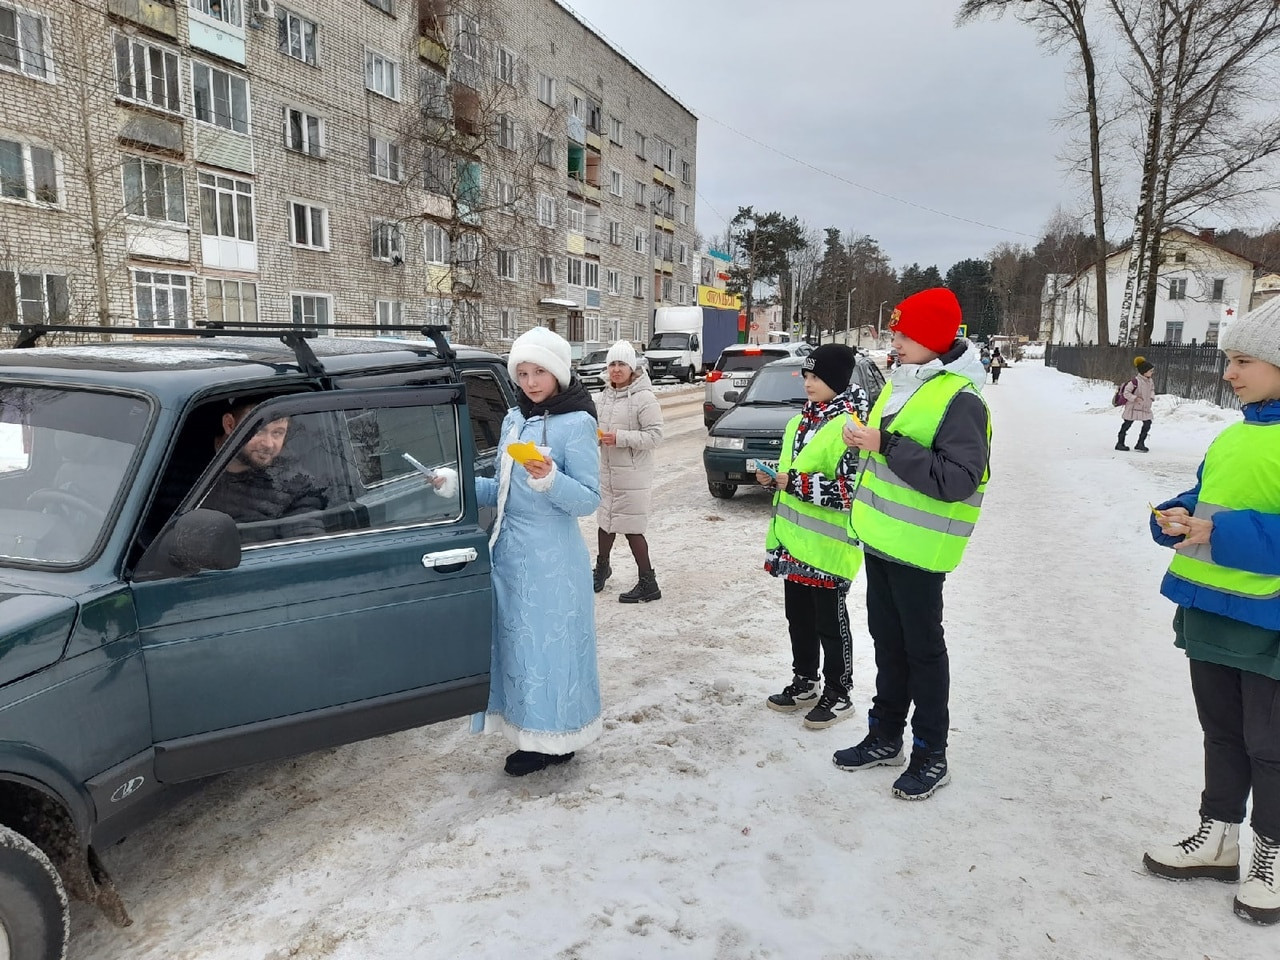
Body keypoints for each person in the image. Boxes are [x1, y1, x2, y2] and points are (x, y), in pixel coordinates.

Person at [1142, 300, 1280, 925]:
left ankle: (1272, 854)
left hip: (1270, 623)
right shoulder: (1235, 434)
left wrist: (1215, 533)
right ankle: (1219, 835)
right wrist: (1173, 514)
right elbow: (1208, 497)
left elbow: (1230, 522)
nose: (1229, 373)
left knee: (1270, 746)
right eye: (1228, 360)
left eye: (1244, 361)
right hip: (1213, 613)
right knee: (1221, 733)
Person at [834, 287, 991, 801]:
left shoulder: (962, 398)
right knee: (889, 644)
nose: (894, 342)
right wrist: (862, 441)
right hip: (881, 540)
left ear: (932, 340)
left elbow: (958, 478)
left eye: (903, 335)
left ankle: (930, 754)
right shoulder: (901, 383)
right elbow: (888, 457)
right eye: (895, 333)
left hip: (921, 551)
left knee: (923, 652)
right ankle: (885, 736)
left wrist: (887, 444)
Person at [472, 326, 603, 777]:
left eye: (539, 372)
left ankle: (557, 740)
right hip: (509, 555)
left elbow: (588, 499)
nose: (530, 382)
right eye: (522, 372)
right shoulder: (514, 419)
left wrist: (550, 477)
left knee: (553, 653)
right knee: (519, 650)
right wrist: (459, 489)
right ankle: (528, 732)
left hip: (553, 561)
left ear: (559, 372)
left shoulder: (578, 423)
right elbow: (503, 490)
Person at [760, 344, 870, 729]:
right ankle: (805, 680)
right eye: (806, 376)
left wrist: (795, 483)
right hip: (794, 544)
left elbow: (851, 491)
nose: (809, 383)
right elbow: (795, 470)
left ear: (837, 382)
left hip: (829, 548)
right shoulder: (798, 423)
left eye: (817, 377)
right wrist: (775, 475)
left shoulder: (852, 429)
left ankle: (840, 693)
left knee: (830, 622)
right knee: (799, 619)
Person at [593, 340, 665, 603]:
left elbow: (655, 436)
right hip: (608, 472)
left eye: (621, 363)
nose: (615, 369)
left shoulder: (644, 398)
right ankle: (602, 569)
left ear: (632, 367)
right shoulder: (603, 397)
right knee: (605, 522)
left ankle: (649, 583)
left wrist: (620, 438)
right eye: (612, 363)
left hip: (633, 475)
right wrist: (597, 437)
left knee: (632, 528)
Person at [201, 398, 327, 537]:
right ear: (230, 424)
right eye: (259, 430)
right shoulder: (183, 464)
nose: (269, 444)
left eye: (277, 433)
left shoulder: (292, 484)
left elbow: (305, 546)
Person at [1118, 356, 1156, 452]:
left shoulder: (1150, 381)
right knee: (1127, 424)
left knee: (1147, 423)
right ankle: (1120, 443)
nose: (1152, 372)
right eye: (1150, 371)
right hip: (1133, 407)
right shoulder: (1134, 382)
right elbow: (1126, 393)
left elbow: (1152, 389)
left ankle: (1140, 443)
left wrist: (1152, 396)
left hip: (1145, 407)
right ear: (1144, 371)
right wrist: (1135, 398)